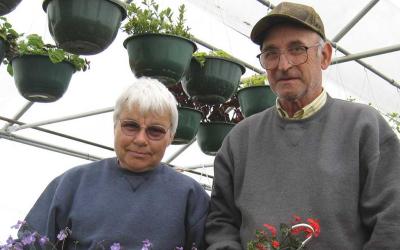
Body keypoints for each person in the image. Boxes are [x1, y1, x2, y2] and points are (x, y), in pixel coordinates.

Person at [205, 2, 400, 249]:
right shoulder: (239, 140)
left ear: (325, 56)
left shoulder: (365, 128)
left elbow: (392, 224)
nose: (283, 65)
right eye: (271, 53)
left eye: (297, 49)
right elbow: (221, 223)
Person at [20, 78, 210, 249]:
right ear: (115, 126)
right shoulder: (72, 184)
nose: (141, 139)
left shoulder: (190, 196)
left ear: (171, 137)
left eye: (155, 131)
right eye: (131, 126)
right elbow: (27, 244)